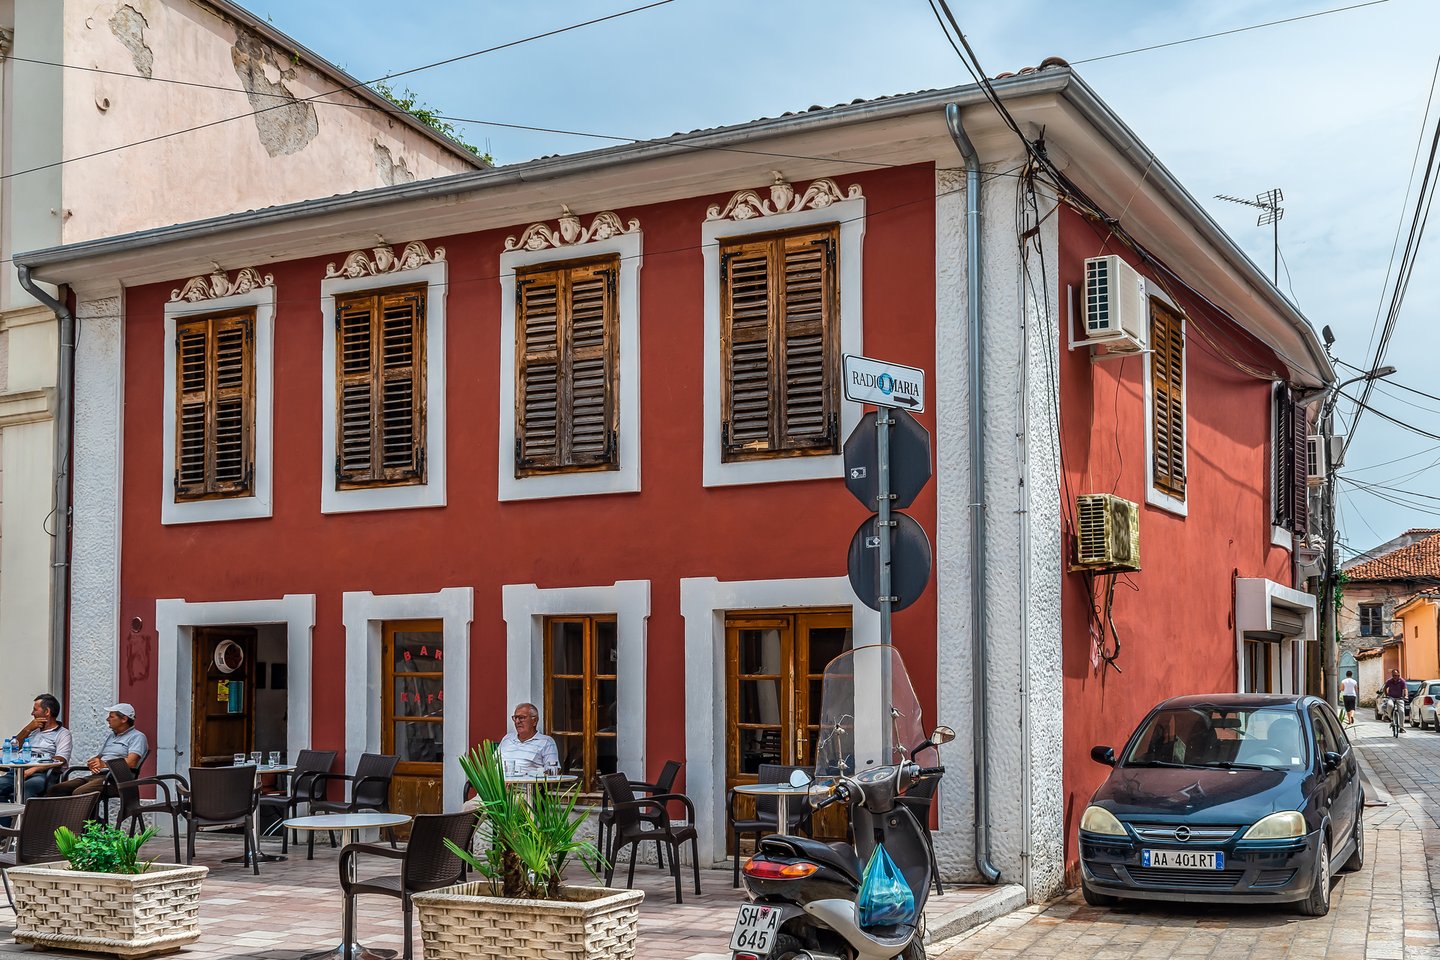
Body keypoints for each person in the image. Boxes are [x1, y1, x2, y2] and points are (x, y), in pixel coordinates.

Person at [45, 703, 149, 796]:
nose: (107, 719)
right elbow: (100, 757)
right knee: (57, 789)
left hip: (116, 780)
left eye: (111, 717)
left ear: (124, 719)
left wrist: (103, 764)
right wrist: (93, 762)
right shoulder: (112, 736)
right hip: (98, 776)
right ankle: (60, 817)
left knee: (81, 793)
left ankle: (88, 818)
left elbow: (131, 763)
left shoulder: (137, 737)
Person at [0, 694, 73, 803]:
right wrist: (27, 729)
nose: (32, 713)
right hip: (18, 771)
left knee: (27, 789)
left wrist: (33, 770)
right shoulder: (32, 731)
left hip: (43, 774)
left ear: (47, 712)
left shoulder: (63, 734)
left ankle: (25, 820)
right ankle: (7, 820)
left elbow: (61, 759)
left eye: (35, 709)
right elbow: (12, 748)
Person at [497, 703, 559, 774]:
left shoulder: (546, 742)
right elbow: (491, 763)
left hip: (523, 784)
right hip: (495, 784)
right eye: (515, 718)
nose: (517, 721)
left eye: (521, 718)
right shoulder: (507, 739)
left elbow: (553, 772)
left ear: (534, 721)